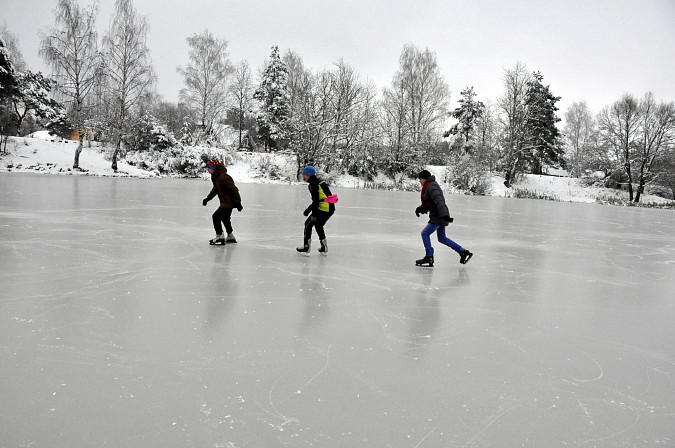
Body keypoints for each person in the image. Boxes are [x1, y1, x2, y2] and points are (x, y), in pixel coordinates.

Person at [415, 169, 473, 266]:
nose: (419, 181)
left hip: (439, 216)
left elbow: (439, 202)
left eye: (420, 179)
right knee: (442, 238)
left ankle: (429, 257)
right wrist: (420, 209)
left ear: (424, 179)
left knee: (424, 234)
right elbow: (431, 203)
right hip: (440, 216)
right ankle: (463, 252)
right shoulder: (430, 186)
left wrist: (444, 215)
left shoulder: (431, 187)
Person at [202, 156, 243, 245]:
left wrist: (238, 202)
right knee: (225, 218)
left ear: (213, 168)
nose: (208, 170)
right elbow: (215, 190)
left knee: (216, 216)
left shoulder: (223, 177)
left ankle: (220, 236)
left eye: (209, 168)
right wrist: (207, 199)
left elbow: (233, 189)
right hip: (226, 202)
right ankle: (230, 236)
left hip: (228, 202)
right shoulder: (217, 177)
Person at [296, 165, 335, 254]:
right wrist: (309, 209)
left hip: (323, 209)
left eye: (304, 174)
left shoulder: (314, 184)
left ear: (309, 175)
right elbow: (319, 199)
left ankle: (306, 246)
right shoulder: (320, 182)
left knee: (308, 224)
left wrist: (313, 214)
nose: (303, 176)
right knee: (318, 225)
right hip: (330, 208)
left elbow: (316, 201)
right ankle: (324, 246)